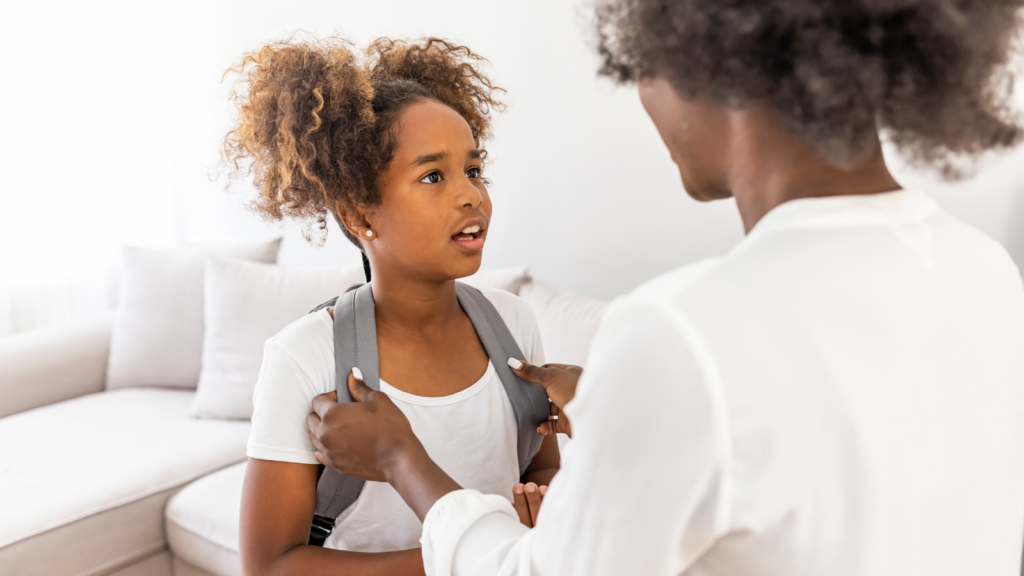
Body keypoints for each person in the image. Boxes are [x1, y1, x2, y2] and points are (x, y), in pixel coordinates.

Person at [305, 1, 1024, 575]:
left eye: (644, 65)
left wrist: (402, 458)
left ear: (709, 60)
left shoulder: (684, 330)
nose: (645, 96)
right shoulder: (986, 270)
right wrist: (620, 411)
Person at [224, 37, 560, 576]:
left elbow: (541, 467)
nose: (471, 195)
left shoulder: (514, 325)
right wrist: (467, 558)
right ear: (360, 216)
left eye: (474, 170)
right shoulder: (306, 357)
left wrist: (542, 509)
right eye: (433, 176)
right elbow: (270, 566)